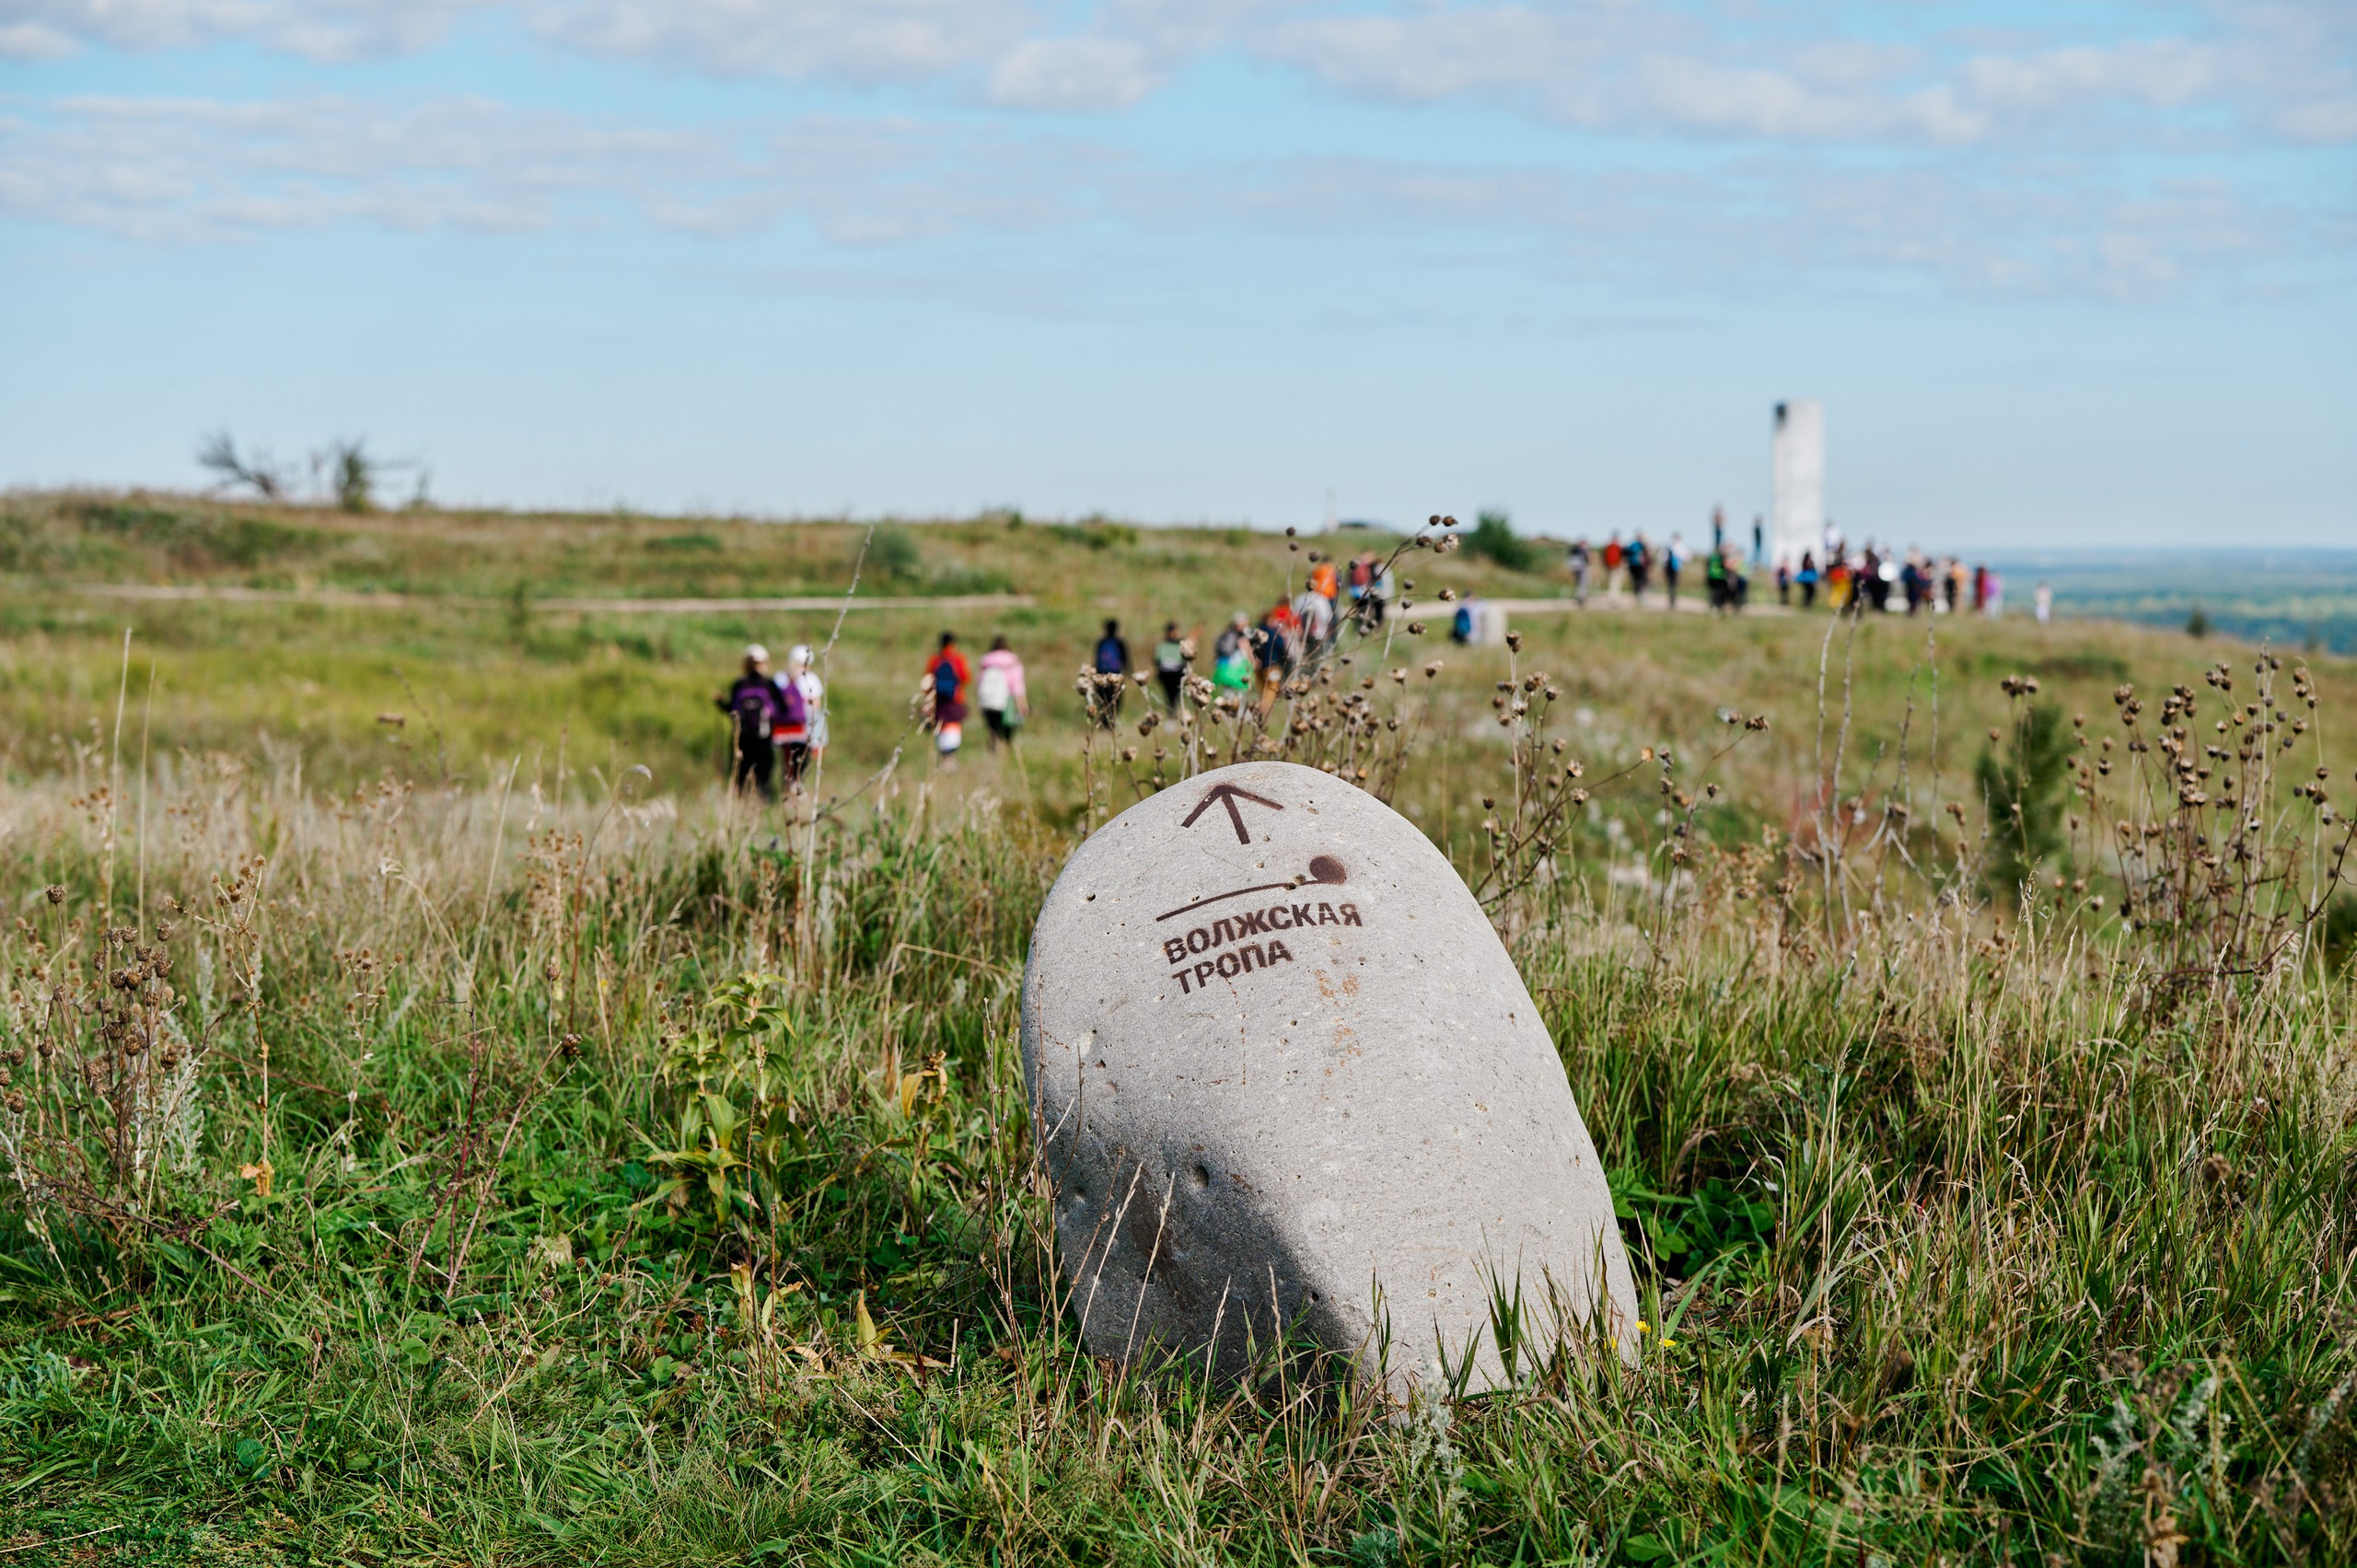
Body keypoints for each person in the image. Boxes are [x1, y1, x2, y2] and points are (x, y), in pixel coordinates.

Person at [714, 644, 780, 800]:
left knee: (741, 776)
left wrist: (719, 702)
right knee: (764, 776)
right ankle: (765, 803)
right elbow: (780, 709)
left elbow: (732, 711)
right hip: (765, 738)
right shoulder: (769, 684)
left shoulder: (739, 684)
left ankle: (741, 805)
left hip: (742, 738)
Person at [781, 645, 827, 780]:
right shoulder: (785, 678)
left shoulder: (808, 679)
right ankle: (792, 786)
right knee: (792, 760)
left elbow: (816, 706)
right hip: (793, 727)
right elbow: (816, 706)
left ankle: (793, 785)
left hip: (800, 726)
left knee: (796, 760)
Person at [925, 631, 970, 760]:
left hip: (938, 701)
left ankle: (944, 757)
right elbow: (965, 678)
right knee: (954, 726)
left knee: (941, 727)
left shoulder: (934, 660)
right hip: (955, 700)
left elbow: (928, 681)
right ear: (954, 644)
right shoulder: (958, 659)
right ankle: (952, 756)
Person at [976, 633, 1028, 747]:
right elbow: (1017, 687)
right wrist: (1022, 705)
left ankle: (994, 749)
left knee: (993, 729)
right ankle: (1006, 751)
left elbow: (979, 682)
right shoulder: (1012, 661)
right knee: (1007, 729)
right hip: (1006, 701)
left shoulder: (985, 662)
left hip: (988, 701)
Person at [1091, 619, 1129, 727]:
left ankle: (1106, 722)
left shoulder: (1101, 642)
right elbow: (1125, 658)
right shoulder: (1119, 642)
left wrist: (1094, 674)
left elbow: (1096, 659)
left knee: (1104, 700)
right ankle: (1110, 721)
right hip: (1116, 675)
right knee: (1115, 700)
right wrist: (1128, 672)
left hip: (1102, 675)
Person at [1213, 611, 1253, 692]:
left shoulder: (1231, 634)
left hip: (1232, 669)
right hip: (1232, 668)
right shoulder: (1232, 635)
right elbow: (1228, 650)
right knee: (1232, 693)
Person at [1153, 621, 1188, 711]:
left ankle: (1173, 713)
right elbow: (1157, 660)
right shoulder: (1163, 645)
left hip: (1177, 674)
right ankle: (1171, 714)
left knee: (1176, 696)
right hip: (1167, 674)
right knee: (1170, 696)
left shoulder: (1181, 644)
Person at [1566, 538, 1591, 604]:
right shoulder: (1583, 550)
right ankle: (1581, 598)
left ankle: (1578, 597)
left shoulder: (1574, 550)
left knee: (1578, 583)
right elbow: (1587, 559)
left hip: (1574, 569)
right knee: (1582, 583)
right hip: (1582, 568)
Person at [1665, 532, 1685, 609]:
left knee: (1673, 585)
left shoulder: (1679, 546)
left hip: (1676, 569)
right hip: (1671, 568)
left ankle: (1673, 600)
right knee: (1671, 585)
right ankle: (1671, 600)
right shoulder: (1669, 545)